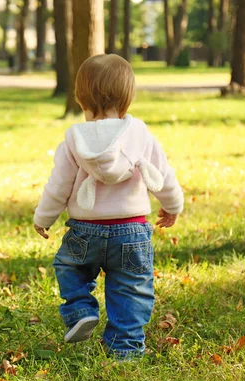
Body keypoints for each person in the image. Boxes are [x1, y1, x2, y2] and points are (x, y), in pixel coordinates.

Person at [33, 54, 184, 359]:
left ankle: (80, 311)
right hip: (132, 232)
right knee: (131, 288)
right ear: (128, 99)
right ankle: (125, 349)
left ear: (80, 98)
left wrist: (43, 217)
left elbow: (58, 185)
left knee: (69, 267)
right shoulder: (141, 136)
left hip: (84, 231)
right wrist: (173, 205)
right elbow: (163, 176)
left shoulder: (74, 141)